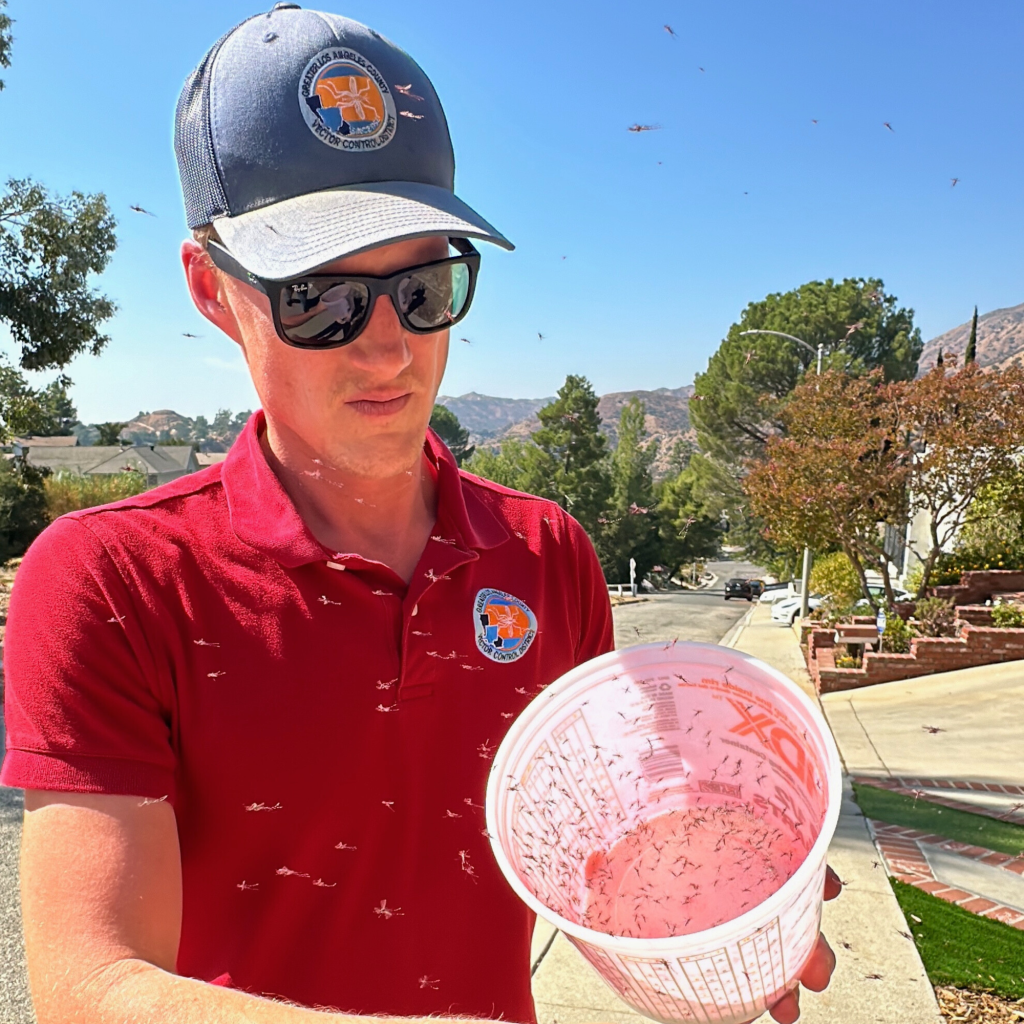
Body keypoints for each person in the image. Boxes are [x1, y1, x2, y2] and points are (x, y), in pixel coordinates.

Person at [0, 6, 837, 1024]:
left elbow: (598, 837)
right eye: (320, 297)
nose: (390, 347)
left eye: (425, 287)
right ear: (211, 290)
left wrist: (723, 886)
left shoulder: (548, 555)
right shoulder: (111, 579)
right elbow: (89, 988)